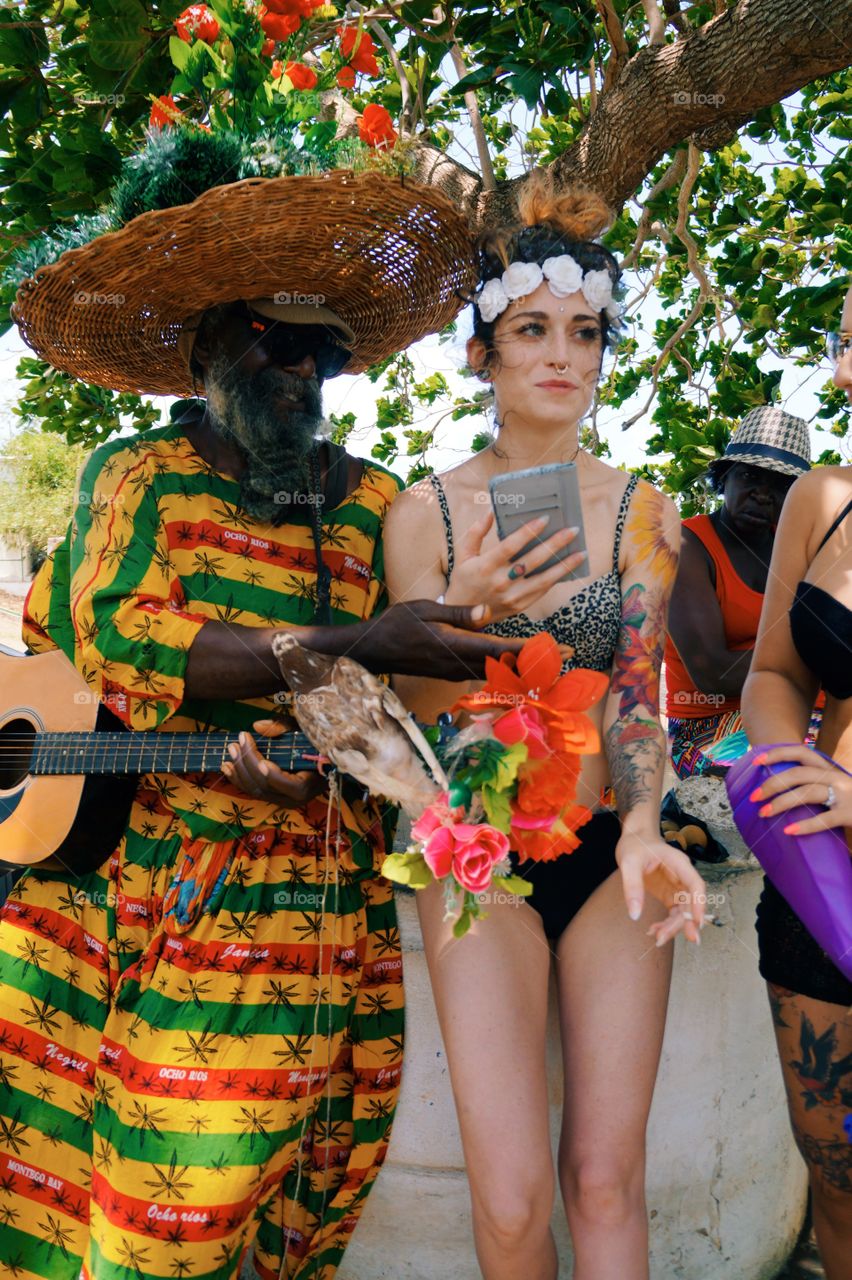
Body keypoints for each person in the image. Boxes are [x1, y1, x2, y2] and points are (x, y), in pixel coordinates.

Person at [0, 136, 564, 1280]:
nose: (303, 373)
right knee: (93, 1209)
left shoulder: (371, 507)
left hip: (298, 904)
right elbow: (119, 635)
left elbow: (398, 687)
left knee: (261, 1209)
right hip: (114, 890)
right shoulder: (140, 478)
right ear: (210, 347)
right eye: (273, 341)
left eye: (324, 352)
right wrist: (352, 638)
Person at [383, 174, 707, 1280]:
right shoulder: (421, 514)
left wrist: (644, 825)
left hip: (605, 851)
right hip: (478, 861)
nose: (561, 353)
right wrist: (467, 612)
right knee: (514, 1200)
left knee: (604, 1181)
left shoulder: (641, 510)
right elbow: (425, 733)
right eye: (532, 329)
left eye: (585, 331)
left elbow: (632, 690)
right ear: (484, 353)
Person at [740, 284, 852, 1280]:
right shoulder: (825, 498)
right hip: (821, 894)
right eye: (844, 343)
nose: (843, 375)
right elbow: (774, 671)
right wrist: (786, 769)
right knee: (842, 1181)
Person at [664, 408, 810, 778]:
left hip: (804, 710)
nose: (763, 495)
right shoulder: (685, 545)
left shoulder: (798, 548)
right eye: (749, 476)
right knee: (792, 780)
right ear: (723, 478)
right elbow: (711, 671)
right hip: (712, 726)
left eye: (780, 485)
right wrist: (821, 659)